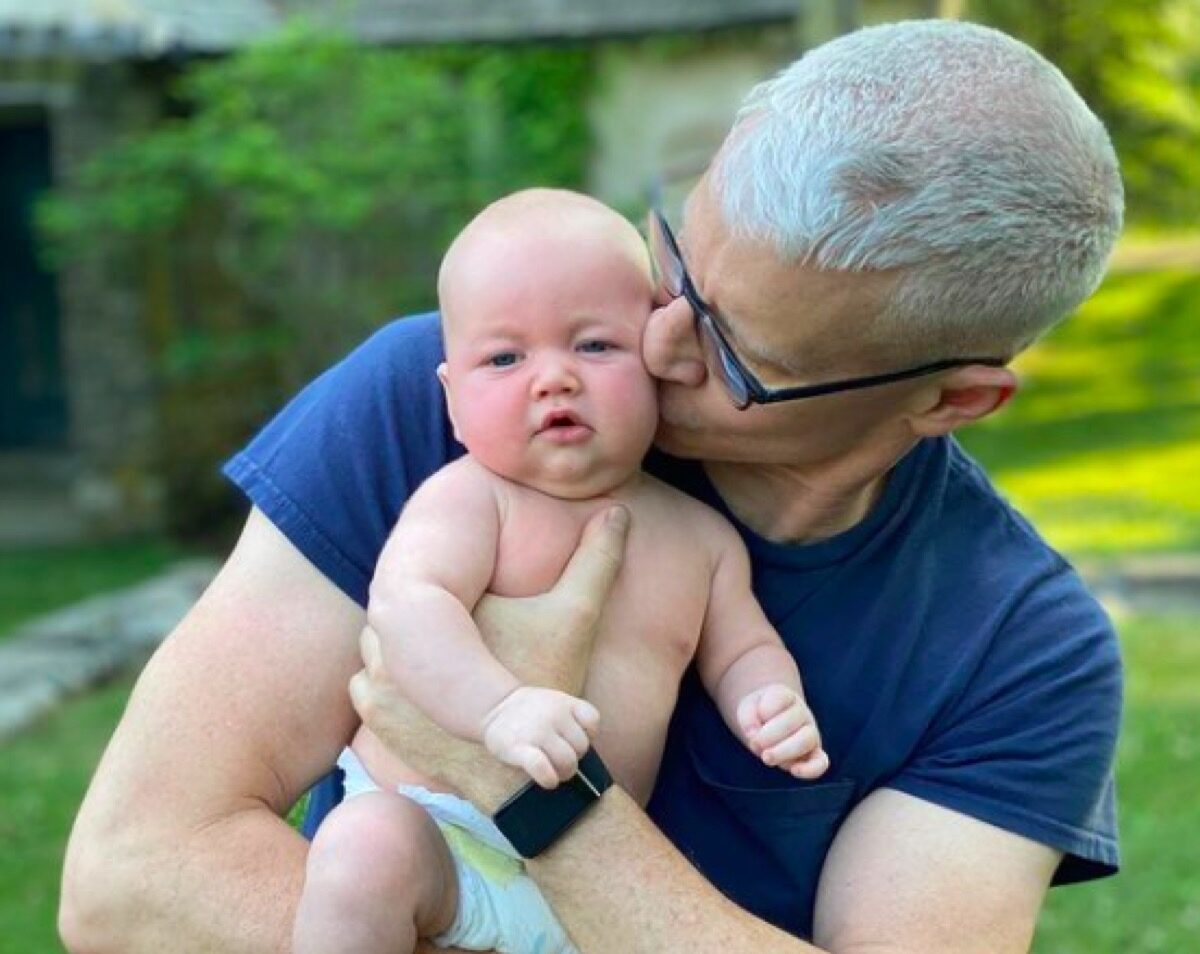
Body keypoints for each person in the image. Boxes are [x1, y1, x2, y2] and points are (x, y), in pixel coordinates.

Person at [60, 19, 1124, 954]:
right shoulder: (449, 403)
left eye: (738, 354)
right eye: (676, 262)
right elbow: (132, 880)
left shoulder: (1020, 655)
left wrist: (540, 800)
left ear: (954, 400)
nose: (658, 345)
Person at [292, 189, 827, 954]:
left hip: (591, 881)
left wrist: (771, 699)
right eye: (506, 358)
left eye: (594, 347)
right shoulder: (472, 499)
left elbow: (743, 648)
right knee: (359, 850)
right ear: (452, 399)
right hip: (435, 837)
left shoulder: (702, 539)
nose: (553, 379)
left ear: (658, 366)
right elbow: (407, 609)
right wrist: (498, 709)